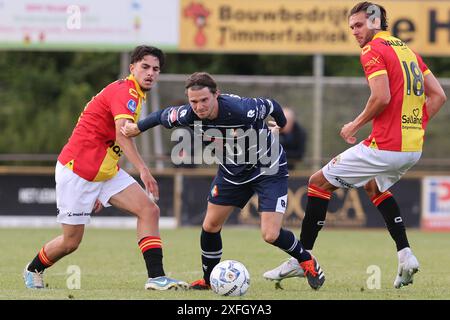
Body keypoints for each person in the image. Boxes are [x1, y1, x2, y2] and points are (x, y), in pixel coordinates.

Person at [264, 1, 447, 289]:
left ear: (375, 22)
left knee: (316, 183)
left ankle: (303, 259)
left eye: (359, 25)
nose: (354, 32)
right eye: (351, 27)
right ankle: (406, 254)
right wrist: (413, 126)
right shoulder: (407, 51)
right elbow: (438, 97)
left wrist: (353, 125)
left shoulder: (373, 50)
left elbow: (381, 96)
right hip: (411, 148)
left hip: (385, 146)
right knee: (375, 186)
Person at [121, 72, 325, 290]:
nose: (198, 106)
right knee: (210, 226)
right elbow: (161, 116)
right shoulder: (188, 114)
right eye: (194, 101)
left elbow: (271, 104)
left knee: (270, 234)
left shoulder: (241, 109)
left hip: (268, 169)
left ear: (216, 94)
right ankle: (209, 281)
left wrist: (281, 126)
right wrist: (137, 128)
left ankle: (307, 261)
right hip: (232, 172)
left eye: (204, 100)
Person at [23, 45, 189, 291]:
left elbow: (113, 141)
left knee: (149, 210)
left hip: (105, 172)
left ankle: (156, 277)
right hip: (77, 171)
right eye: (145, 67)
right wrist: (143, 170)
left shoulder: (135, 94)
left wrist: (104, 187)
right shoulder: (126, 91)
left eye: (156, 69)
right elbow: (123, 136)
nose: (151, 73)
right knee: (71, 242)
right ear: (132, 68)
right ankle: (34, 268)